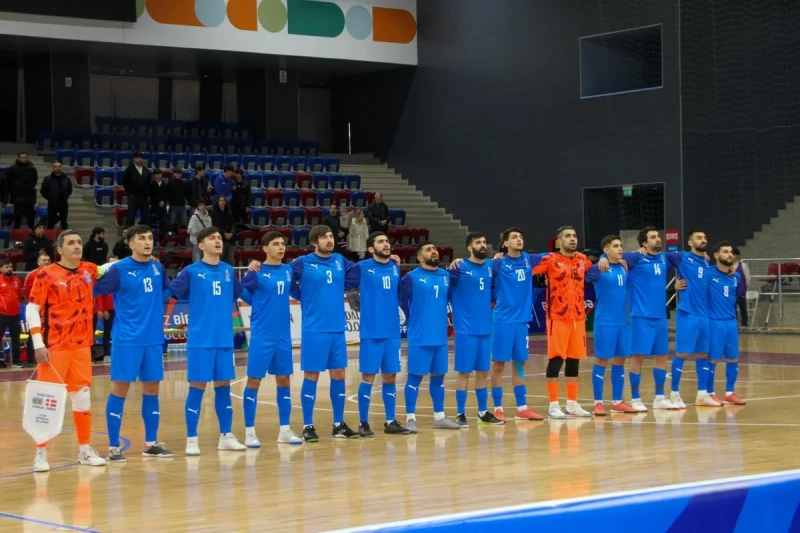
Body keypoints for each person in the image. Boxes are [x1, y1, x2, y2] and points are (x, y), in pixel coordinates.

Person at [26, 230, 108, 472]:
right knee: (46, 401)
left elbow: (107, 268)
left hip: (82, 347)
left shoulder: (88, 269)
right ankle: (40, 453)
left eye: (79, 242)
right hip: (55, 348)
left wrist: (140, 257)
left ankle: (84, 450)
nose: (77, 246)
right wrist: (38, 344)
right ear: (59, 249)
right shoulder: (45, 274)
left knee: (82, 398)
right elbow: (32, 309)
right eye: (71, 243)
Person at [95, 226, 173, 461]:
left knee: (152, 390)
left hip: (153, 340)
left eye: (150, 238)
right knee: (120, 390)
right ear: (130, 244)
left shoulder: (158, 267)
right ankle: (113, 447)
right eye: (142, 239)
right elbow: (94, 290)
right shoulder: (118, 270)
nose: (147, 242)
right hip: (127, 340)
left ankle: (151, 444)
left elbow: (166, 291)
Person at [168, 226, 246, 456]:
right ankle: (192, 439)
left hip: (224, 340)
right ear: (201, 245)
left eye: (220, 237)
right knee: (197, 387)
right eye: (212, 238)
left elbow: (239, 294)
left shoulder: (228, 271)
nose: (218, 241)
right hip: (200, 341)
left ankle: (226, 436)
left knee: (223, 387)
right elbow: (170, 293)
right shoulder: (191, 272)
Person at [597, 227, 683, 410]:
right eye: (653, 237)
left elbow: (689, 257)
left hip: (660, 316)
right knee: (638, 357)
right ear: (644, 243)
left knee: (662, 356)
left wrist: (704, 256)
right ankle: (635, 398)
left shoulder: (664, 257)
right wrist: (602, 258)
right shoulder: (635, 257)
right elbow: (613, 257)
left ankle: (659, 397)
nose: (658, 239)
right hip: (640, 316)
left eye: (658, 236)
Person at [291, 225, 360, 441]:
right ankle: (308, 426)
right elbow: (284, 278)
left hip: (337, 329)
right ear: (314, 242)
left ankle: (338, 424)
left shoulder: (340, 260)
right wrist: (303, 296)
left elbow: (359, 272)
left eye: (331, 236)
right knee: (312, 375)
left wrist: (388, 259)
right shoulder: (302, 262)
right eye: (324, 237)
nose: (329, 240)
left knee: (339, 375)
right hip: (314, 329)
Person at [239, 232, 303, 447]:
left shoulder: (288, 271)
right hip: (262, 336)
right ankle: (249, 432)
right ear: (265, 248)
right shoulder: (256, 271)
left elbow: (297, 292)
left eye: (283, 243)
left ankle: (285, 430)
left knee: (284, 380)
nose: (281, 247)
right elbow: (243, 293)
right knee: (254, 381)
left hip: (283, 336)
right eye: (275, 244)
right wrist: (259, 300)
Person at [475, 227, 544, 422]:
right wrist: (456, 262)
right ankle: (498, 407)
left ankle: (521, 407)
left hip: (521, 322)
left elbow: (555, 256)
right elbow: (475, 264)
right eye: (514, 237)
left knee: (520, 364)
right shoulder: (498, 263)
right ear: (505, 243)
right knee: (498, 365)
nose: (519, 240)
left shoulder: (529, 259)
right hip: (503, 321)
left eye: (521, 237)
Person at [352, 232, 410, 436]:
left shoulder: (395, 267)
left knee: (391, 376)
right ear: (370, 249)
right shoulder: (361, 267)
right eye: (380, 242)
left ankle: (390, 421)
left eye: (387, 241)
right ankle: (363, 422)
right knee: (368, 377)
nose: (386, 244)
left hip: (392, 333)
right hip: (372, 332)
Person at [399, 243, 461, 432]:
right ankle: (410, 418)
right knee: (414, 377)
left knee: (439, 378)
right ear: (419, 257)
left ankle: (439, 417)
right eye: (428, 250)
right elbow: (399, 299)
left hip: (440, 337)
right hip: (420, 337)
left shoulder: (445, 275)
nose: (433, 251)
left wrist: (459, 262)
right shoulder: (411, 277)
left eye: (434, 249)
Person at [533, 226, 593, 419]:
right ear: (559, 242)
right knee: (556, 359)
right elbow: (529, 268)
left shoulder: (582, 260)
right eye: (567, 236)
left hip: (578, 318)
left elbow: (595, 266)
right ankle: (553, 405)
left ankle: (572, 404)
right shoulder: (549, 260)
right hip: (557, 317)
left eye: (574, 236)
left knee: (574, 360)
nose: (572, 239)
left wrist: (602, 259)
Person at [449, 232, 503, 427]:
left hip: (485, 328)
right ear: (469, 248)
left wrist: (500, 256)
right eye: (478, 242)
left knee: (482, 372)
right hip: (466, 330)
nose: (482, 245)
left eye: (484, 242)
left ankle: (482, 412)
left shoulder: (490, 265)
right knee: (464, 372)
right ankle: (460, 414)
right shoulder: (459, 267)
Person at [585, 235, 637, 416]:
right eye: (615, 246)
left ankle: (617, 401)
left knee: (620, 360)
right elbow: (579, 277)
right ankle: (598, 403)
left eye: (621, 245)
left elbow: (638, 255)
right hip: (605, 323)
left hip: (622, 322)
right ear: (606, 250)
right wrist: (601, 258)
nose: (620, 248)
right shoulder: (598, 268)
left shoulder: (623, 266)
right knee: (601, 360)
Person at [671, 229, 720, 408]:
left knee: (703, 354)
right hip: (688, 313)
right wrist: (674, 285)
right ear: (691, 243)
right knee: (682, 353)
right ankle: (674, 394)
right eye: (699, 238)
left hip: (704, 315)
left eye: (704, 237)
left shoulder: (707, 262)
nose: (703, 240)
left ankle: (702, 395)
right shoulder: (682, 257)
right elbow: (658, 259)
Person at [706, 241, 746, 406]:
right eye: (725, 251)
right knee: (712, 359)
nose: (729, 254)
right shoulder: (708, 273)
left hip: (731, 322)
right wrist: (677, 285)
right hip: (714, 322)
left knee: (733, 358)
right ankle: (710, 393)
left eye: (730, 252)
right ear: (716, 255)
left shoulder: (736, 276)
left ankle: (730, 393)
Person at [24, 251, 51, 367]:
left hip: (48, 311)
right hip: (36, 309)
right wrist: (35, 306)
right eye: (44, 260)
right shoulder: (32, 275)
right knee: (34, 334)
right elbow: (26, 291)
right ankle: (30, 359)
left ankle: (48, 356)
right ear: (38, 262)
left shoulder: (53, 273)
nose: (46, 262)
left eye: (48, 260)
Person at [5, 152, 38, 229]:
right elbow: (8, 181)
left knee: (30, 216)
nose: (24, 159)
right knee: (17, 216)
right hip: (17, 196)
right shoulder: (12, 169)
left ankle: (32, 231)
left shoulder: (32, 169)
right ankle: (16, 231)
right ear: (18, 158)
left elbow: (35, 180)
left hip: (29, 196)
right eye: (22, 157)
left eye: (25, 157)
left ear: (28, 158)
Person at [0, 259, 23, 368]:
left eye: (11, 267)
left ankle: (16, 361)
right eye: (6, 267)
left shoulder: (17, 281)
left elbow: (19, 295)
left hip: (15, 314)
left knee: (16, 338)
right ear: (1, 269)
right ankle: (1, 360)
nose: (9, 269)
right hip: (2, 314)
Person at [40, 161, 72, 229]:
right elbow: (43, 191)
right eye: (55, 166)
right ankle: (50, 235)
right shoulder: (48, 179)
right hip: (52, 204)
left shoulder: (66, 179)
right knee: (50, 222)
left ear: (61, 167)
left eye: (59, 166)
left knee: (64, 222)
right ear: (53, 168)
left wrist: (65, 197)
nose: (57, 168)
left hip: (63, 203)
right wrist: (50, 198)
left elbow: (69, 190)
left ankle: (64, 234)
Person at [123, 151, 151, 227]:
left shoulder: (146, 170)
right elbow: (125, 182)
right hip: (133, 197)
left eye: (141, 158)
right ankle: (128, 232)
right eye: (137, 158)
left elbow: (148, 183)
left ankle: (145, 232)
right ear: (134, 159)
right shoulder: (129, 169)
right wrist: (130, 192)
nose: (139, 159)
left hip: (144, 197)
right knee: (131, 216)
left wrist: (147, 193)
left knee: (146, 217)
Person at [94, 262, 115, 363]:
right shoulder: (102, 278)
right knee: (107, 331)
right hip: (108, 308)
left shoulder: (117, 277)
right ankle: (106, 353)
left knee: (117, 331)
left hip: (118, 308)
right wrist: (103, 309)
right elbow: (99, 295)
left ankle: (116, 352)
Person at [210, 196, 235, 265]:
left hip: (229, 240)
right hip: (219, 239)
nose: (222, 202)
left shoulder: (228, 212)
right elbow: (213, 226)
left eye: (223, 200)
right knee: (219, 260)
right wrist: (224, 233)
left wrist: (232, 233)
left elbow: (232, 224)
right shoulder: (214, 213)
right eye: (220, 200)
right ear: (217, 202)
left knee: (230, 261)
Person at [732, 248, 751, 327]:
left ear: (738, 256)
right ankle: (735, 324)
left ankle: (744, 324)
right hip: (732, 292)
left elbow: (747, 277)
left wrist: (744, 288)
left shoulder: (742, 265)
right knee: (732, 309)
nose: (732, 256)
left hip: (741, 291)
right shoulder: (727, 266)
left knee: (743, 308)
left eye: (734, 255)